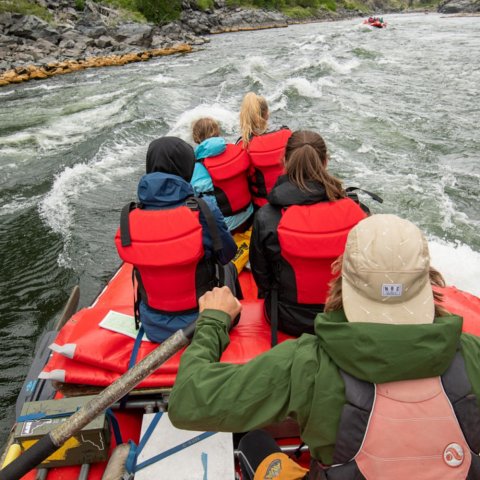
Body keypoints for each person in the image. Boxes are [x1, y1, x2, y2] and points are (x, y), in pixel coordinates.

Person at [168, 214, 480, 479]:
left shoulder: (307, 362)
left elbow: (187, 402)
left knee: (254, 444)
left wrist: (212, 322)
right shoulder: (472, 353)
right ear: (428, 281)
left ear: (343, 277)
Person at [114, 136, 237, 343]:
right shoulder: (204, 209)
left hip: (152, 327)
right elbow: (227, 254)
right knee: (229, 266)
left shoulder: (130, 216)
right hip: (204, 324)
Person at [249, 130, 367, 341]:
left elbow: (262, 277)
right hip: (343, 314)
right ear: (325, 161)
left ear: (284, 161)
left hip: (286, 318)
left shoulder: (266, 216)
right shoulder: (356, 212)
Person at [191, 117, 254, 232]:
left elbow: (192, 197)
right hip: (249, 214)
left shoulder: (196, 168)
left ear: (196, 138)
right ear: (217, 132)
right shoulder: (236, 151)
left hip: (226, 227)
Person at [239, 92, 292, 208]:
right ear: (267, 114)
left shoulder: (244, 145)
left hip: (262, 205)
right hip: (290, 199)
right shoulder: (286, 134)